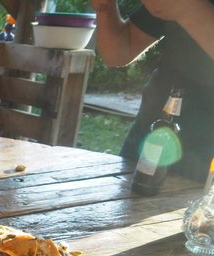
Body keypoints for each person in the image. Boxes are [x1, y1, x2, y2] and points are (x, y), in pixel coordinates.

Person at [91, 0, 214, 182]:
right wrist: (105, 8)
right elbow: (119, 52)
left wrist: (187, 9)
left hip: (205, 160)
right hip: (151, 133)